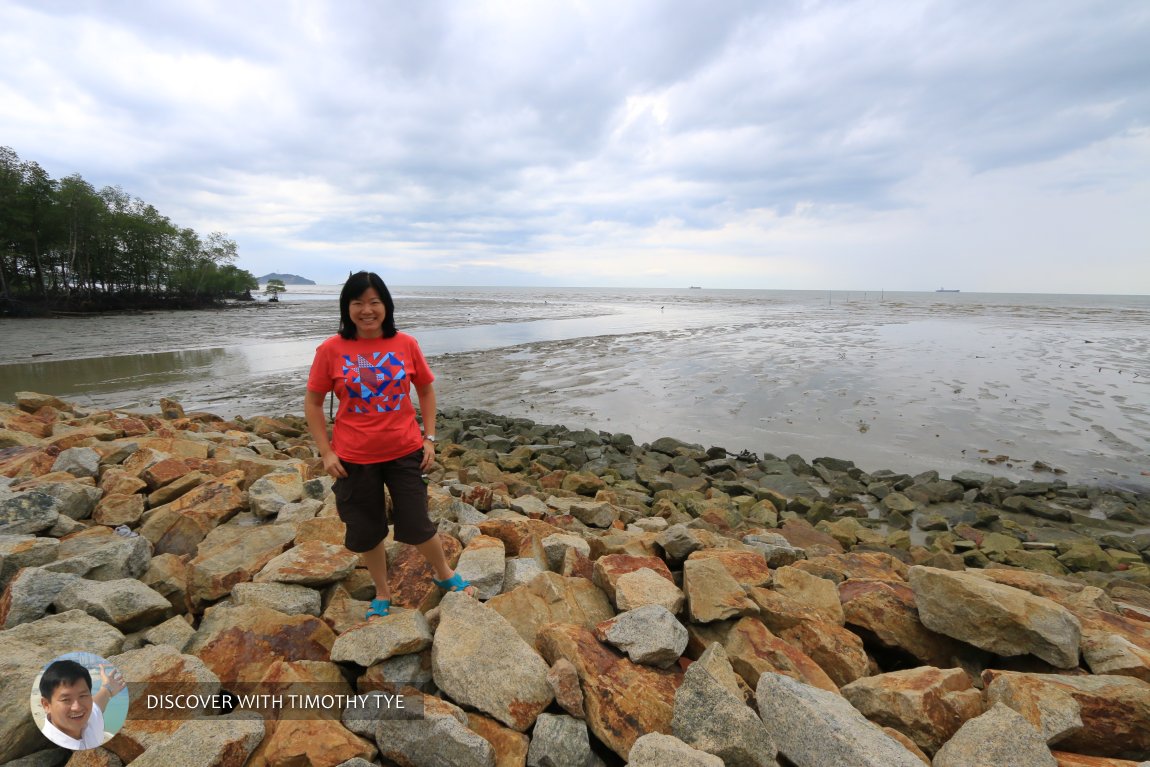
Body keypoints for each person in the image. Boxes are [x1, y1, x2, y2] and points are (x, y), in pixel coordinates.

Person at [305, 271, 476, 621]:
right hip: (353, 458)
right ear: (346, 307)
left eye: (374, 302)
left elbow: (426, 390)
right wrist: (326, 451)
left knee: (417, 523)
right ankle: (382, 591)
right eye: (358, 303)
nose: (366, 310)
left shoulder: (406, 344)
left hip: (404, 451)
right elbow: (313, 401)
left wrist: (429, 438)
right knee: (366, 530)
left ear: (386, 305)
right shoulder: (331, 349)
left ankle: (444, 574)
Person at [39, 660, 125, 750]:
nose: (77, 707)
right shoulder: (49, 748)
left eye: (82, 696)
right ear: (46, 705)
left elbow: (97, 704)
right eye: (66, 700)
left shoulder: (89, 719)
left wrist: (108, 688)